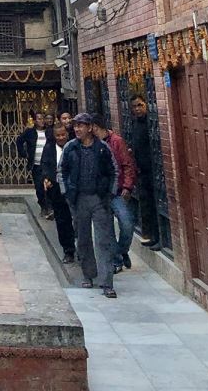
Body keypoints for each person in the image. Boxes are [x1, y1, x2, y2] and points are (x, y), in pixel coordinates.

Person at [61, 112, 119, 298]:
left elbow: (113, 171)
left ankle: (107, 281)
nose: (77, 129)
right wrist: (67, 192)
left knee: (104, 240)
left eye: (81, 125)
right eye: (75, 125)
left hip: (99, 198)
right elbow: (61, 170)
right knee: (83, 238)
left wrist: (110, 193)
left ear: (90, 128)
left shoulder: (102, 148)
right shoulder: (70, 148)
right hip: (79, 198)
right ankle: (88, 274)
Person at [92, 114, 136, 272]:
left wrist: (127, 186)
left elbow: (127, 164)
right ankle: (117, 261)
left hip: (117, 192)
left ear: (96, 127)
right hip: (101, 193)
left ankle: (122, 251)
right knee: (108, 229)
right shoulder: (92, 144)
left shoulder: (116, 141)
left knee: (127, 224)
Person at [41, 122, 76, 264]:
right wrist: (47, 178)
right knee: (62, 221)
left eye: (63, 135)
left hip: (74, 189)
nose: (61, 138)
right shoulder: (49, 148)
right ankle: (68, 250)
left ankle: (81, 247)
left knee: (78, 221)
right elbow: (45, 165)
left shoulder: (74, 147)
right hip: (57, 191)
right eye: (58, 135)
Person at [129, 95, 161, 248]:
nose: (137, 109)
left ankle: (159, 237)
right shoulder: (135, 123)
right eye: (134, 106)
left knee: (156, 203)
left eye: (140, 105)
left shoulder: (152, 122)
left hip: (154, 171)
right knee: (146, 203)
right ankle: (149, 234)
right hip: (142, 171)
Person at [16, 110, 51, 217]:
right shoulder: (29, 132)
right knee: (39, 187)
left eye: (43, 118)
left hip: (48, 164)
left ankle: (49, 207)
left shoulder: (49, 132)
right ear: (35, 121)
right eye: (39, 119)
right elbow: (19, 141)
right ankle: (43, 206)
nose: (42, 121)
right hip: (36, 165)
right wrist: (24, 154)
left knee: (49, 186)